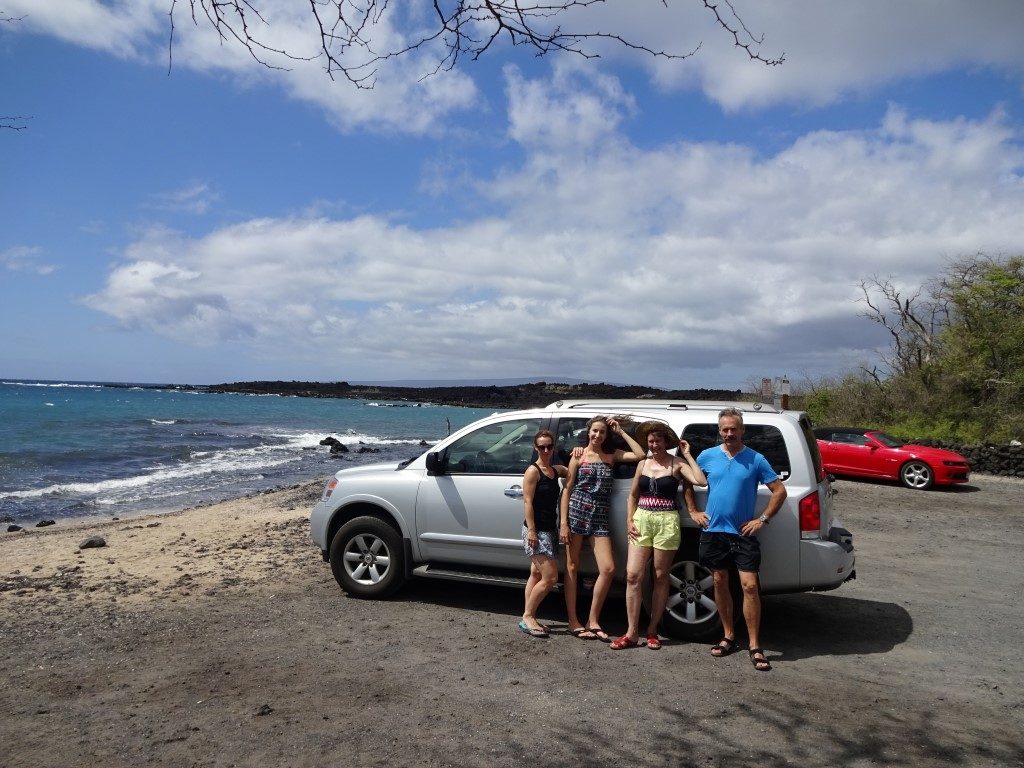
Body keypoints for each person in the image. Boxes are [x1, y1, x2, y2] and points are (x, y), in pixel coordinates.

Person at [692, 407, 787, 671]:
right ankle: (728, 635)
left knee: (749, 586)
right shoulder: (706, 456)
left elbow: (779, 491)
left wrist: (762, 520)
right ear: (719, 430)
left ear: (742, 430)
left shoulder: (756, 459)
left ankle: (755, 645)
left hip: (743, 533)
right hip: (714, 532)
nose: (729, 433)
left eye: (734, 429)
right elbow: (687, 481)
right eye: (725, 429)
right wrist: (692, 511)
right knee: (720, 581)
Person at [610, 421, 707, 650]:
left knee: (660, 575)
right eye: (651, 442)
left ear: (667, 442)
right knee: (633, 575)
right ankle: (631, 632)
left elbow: (700, 481)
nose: (654, 445)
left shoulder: (676, 463)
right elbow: (633, 496)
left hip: (666, 521)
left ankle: (653, 630)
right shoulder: (642, 463)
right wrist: (629, 520)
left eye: (658, 441)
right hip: (642, 518)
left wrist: (688, 454)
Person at [559, 416, 645, 641]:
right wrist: (564, 523)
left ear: (607, 435)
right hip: (578, 511)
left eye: (603, 432)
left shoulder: (611, 455)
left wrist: (621, 431)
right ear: (588, 432)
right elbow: (567, 490)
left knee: (607, 569)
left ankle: (592, 620)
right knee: (571, 566)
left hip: (599, 516)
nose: (598, 435)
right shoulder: (578, 456)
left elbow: (640, 455)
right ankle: (573, 621)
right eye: (594, 431)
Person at [519, 430, 569, 638]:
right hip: (536, 531)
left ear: (554, 447)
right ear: (535, 447)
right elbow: (527, 502)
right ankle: (528, 616)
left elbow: (570, 470)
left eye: (549, 446)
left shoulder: (554, 470)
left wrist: (579, 453)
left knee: (536, 574)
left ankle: (529, 616)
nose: (546, 450)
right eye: (542, 447)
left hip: (549, 529)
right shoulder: (533, 471)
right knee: (550, 577)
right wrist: (531, 530)